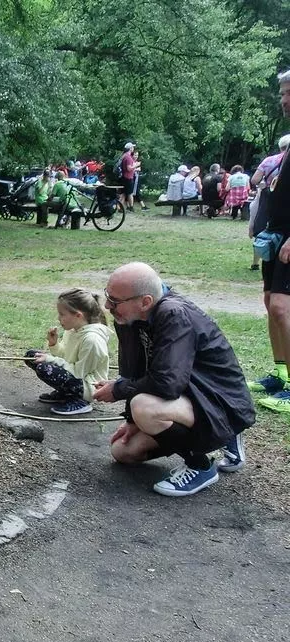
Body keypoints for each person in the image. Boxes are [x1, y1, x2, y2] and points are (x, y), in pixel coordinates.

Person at [92, 263, 254, 497]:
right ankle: (208, 439)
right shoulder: (129, 316)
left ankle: (201, 465)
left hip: (217, 402)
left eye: (115, 301)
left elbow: (167, 384)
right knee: (123, 452)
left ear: (146, 301)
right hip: (184, 397)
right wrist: (131, 420)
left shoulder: (174, 314)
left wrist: (118, 391)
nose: (108, 306)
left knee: (144, 407)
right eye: (109, 297)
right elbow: (132, 371)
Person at [246, 70, 290, 410]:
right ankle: (280, 375)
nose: (285, 101)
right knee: (269, 304)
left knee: (282, 307)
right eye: (283, 95)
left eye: (289, 94)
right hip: (274, 234)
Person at [26, 289, 111, 415]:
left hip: (88, 385)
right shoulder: (73, 330)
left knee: (45, 367)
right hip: (75, 375)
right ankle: (66, 393)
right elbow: (66, 358)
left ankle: (81, 400)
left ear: (78, 315)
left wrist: (50, 359)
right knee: (31, 356)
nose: (58, 318)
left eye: (62, 314)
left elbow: (79, 373)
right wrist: (54, 344)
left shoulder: (91, 340)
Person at [248, 134, 290, 270]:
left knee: (263, 230)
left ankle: (257, 260)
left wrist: (264, 184)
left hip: (269, 199)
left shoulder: (269, 160)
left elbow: (254, 180)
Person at [119, 143, 140, 210]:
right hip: (128, 178)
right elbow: (129, 168)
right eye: (132, 147)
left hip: (124, 177)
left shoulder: (124, 156)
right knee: (130, 193)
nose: (133, 148)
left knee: (123, 193)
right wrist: (136, 165)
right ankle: (131, 207)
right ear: (130, 148)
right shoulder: (128, 157)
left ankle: (119, 207)